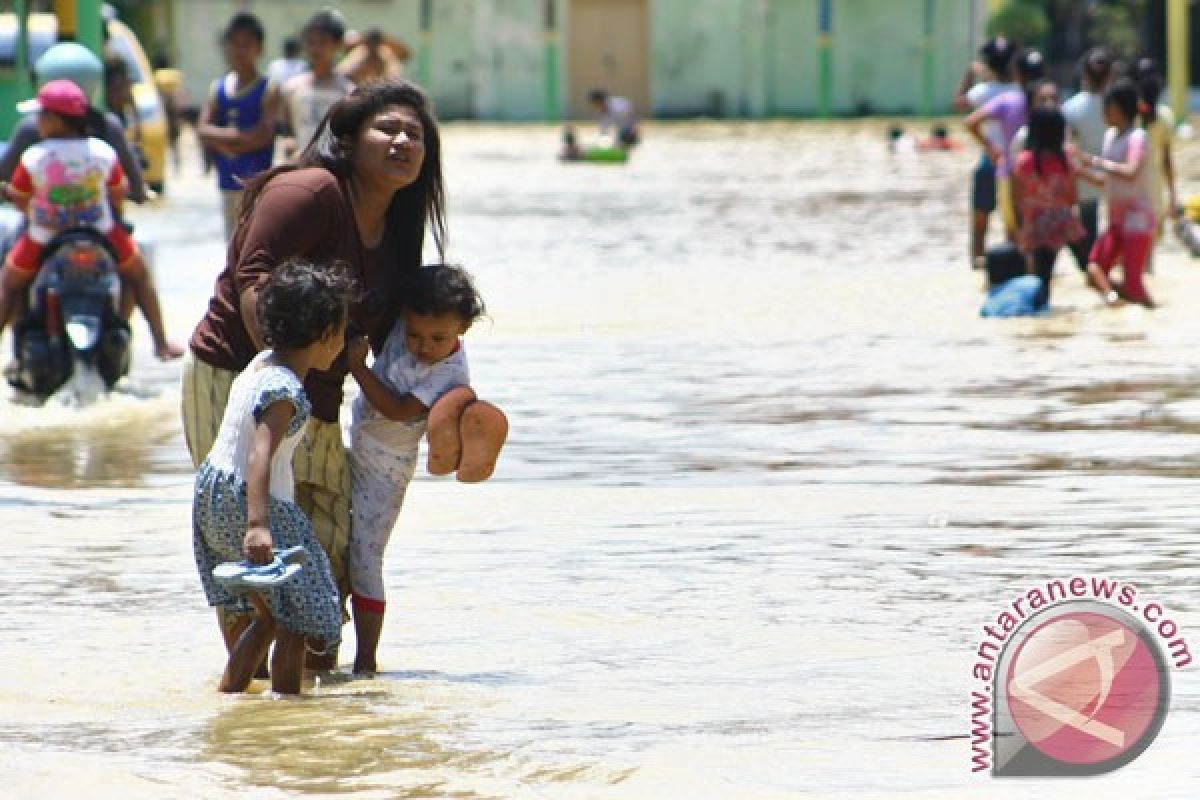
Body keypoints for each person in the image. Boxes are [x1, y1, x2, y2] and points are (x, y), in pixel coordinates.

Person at [182, 79, 447, 670]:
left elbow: (405, 340)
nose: (403, 140)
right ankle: (256, 712)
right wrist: (283, 381)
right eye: (389, 129)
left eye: (416, 134)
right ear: (349, 141)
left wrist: (451, 400)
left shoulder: (403, 228)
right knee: (256, 546)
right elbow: (253, 283)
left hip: (322, 396)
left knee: (329, 554)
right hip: (237, 377)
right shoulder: (308, 194)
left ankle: (309, 715)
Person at [193, 259, 352, 694]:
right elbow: (260, 454)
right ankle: (287, 707)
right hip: (253, 503)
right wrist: (258, 525)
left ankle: (233, 696)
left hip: (213, 493)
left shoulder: (260, 364)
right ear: (326, 337)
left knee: (270, 615)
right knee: (298, 616)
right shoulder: (284, 390)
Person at [345, 263, 507, 675]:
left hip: (388, 465)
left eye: (438, 338)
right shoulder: (408, 322)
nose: (422, 346)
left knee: (366, 555)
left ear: (462, 329)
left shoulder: (448, 371)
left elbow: (398, 410)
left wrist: (358, 368)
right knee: (335, 539)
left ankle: (366, 659)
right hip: (354, 442)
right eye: (414, 335)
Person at [0, 80, 181, 360]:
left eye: (42, 115)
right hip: (102, 234)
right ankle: (161, 343)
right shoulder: (103, 153)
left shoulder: (34, 157)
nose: (37, 121)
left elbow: (22, 198)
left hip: (44, 236)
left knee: (9, 284)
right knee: (140, 277)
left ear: (56, 119)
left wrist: (36, 210)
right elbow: (118, 194)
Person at [197, 12, 281, 240]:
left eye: (247, 45)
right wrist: (241, 139)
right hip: (226, 180)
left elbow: (263, 136)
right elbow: (202, 130)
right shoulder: (219, 87)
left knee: (255, 242)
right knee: (231, 242)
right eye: (234, 44)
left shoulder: (268, 88)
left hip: (255, 184)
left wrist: (222, 140)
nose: (240, 51)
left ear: (259, 49)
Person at [1081, 79, 1157, 308]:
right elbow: (1108, 180)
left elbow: (1131, 171)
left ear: (1120, 108)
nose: (1104, 113)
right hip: (1116, 218)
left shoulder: (1138, 137)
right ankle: (1122, 302)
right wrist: (1079, 171)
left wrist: (1095, 161)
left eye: (1108, 106)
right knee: (1094, 272)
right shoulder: (1110, 137)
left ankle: (1146, 314)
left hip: (1137, 220)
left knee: (1133, 284)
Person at [964, 49, 1046, 250]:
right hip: (1041, 173)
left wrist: (992, 149)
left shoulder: (1009, 100)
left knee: (1014, 231)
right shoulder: (1047, 102)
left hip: (1010, 172)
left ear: (1017, 74)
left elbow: (970, 122)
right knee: (1036, 231)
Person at [1011, 107, 1089, 309]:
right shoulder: (1066, 159)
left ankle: (1040, 323)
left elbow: (1017, 198)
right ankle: (1113, 296)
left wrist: (1022, 228)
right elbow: (1073, 196)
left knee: (1042, 280)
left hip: (1037, 225)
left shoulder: (1025, 161)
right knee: (1089, 266)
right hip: (1064, 220)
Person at [954, 36, 1017, 268]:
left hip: (991, 159)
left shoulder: (983, 90)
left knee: (980, 215)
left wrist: (970, 73)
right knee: (1014, 218)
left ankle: (978, 259)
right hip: (1016, 161)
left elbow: (959, 103)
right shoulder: (1019, 90)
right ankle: (1015, 261)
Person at [1062, 48, 1112, 272]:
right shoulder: (1118, 104)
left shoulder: (1070, 107)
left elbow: (1068, 148)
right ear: (1110, 76)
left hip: (1086, 179)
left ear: (1084, 74)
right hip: (1117, 177)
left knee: (1089, 231)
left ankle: (1092, 271)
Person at [282, 9, 354, 160]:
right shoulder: (292, 88)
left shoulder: (348, 91)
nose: (315, 48)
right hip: (300, 164)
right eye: (311, 42)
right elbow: (287, 131)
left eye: (323, 42)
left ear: (337, 45)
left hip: (335, 167)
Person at [1132, 61, 1179, 245]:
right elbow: (1167, 160)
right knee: (1150, 238)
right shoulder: (1165, 117)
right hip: (1155, 186)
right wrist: (1173, 194)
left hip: (1133, 185)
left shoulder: (1129, 118)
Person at [338, 28, 406, 86]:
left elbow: (393, 78)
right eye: (369, 43)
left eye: (374, 43)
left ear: (379, 43)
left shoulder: (386, 55)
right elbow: (342, 72)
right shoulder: (360, 52)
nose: (371, 46)